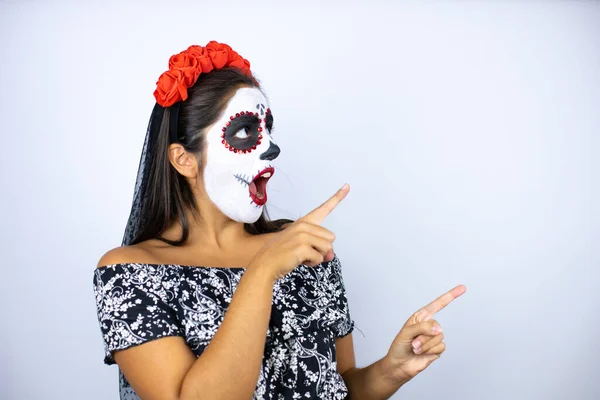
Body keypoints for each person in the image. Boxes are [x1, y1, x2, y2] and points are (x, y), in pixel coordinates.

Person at [93, 41, 466, 400]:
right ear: (183, 159)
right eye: (245, 131)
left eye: (267, 128)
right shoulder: (130, 273)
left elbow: (339, 387)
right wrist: (264, 268)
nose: (270, 146)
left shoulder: (303, 249)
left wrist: (391, 370)